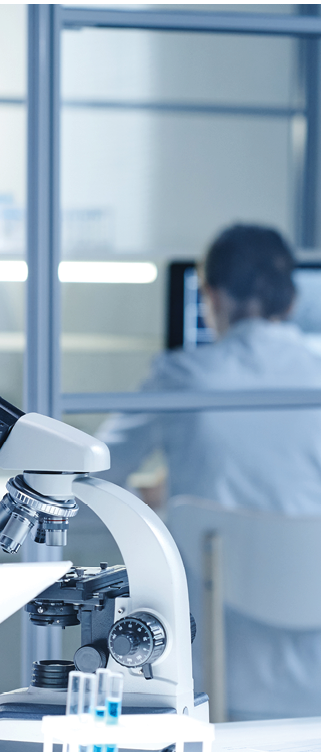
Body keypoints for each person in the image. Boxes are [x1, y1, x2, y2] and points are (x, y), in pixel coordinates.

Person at [97, 223, 321, 719]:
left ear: (211, 295)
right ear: (290, 300)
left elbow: (96, 472)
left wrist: (171, 502)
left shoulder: (184, 377)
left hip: (215, 664)